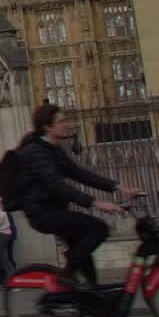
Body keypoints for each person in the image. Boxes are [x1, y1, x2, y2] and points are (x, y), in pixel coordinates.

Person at [17, 104, 126, 289]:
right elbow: (57, 185)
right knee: (99, 229)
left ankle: (93, 298)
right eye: (62, 121)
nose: (67, 124)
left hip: (56, 210)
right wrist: (95, 203)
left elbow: (80, 174)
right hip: (43, 213)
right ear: (47, 127)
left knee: (82, 251)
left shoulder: (54, 149)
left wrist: (117, 187)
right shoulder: (35, 152)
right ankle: (65, 275)